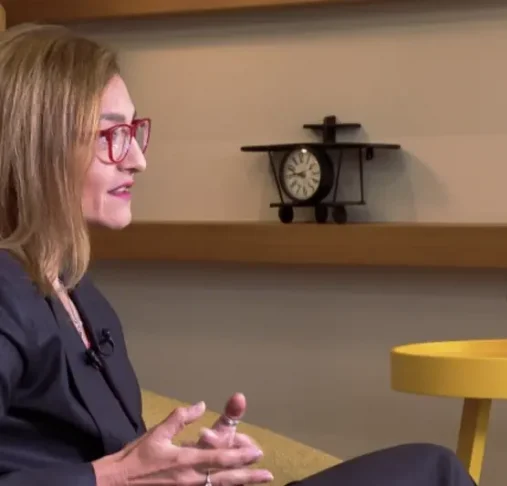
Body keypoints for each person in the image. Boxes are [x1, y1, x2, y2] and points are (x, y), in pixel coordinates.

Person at [0, 23, 477, 486]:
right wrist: (113, 478)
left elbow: (122, 459)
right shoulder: (6, 292)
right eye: (112, 136)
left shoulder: (79, 293)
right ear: (39, 146)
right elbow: (115, 472)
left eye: (134, 132)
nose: (138, 160)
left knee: (430, 468)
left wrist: (194, 469)